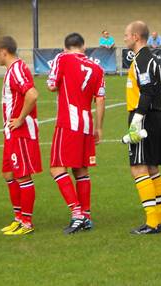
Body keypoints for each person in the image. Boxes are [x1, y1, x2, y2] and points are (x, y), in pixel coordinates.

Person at [46, 33, 106, 234]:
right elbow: (100, 100)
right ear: (83, 47)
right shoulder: (97, 68)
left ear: (65, 48)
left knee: (56, 168)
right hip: (87, 123)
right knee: (81, 170)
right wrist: (99, 128)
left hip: (68, 122)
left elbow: (51, 85)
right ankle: (86, 216)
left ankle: (77, 214)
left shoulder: (62, 58)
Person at [0, 36, 42, 235]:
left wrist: (21, 118)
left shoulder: (17, 69)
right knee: (9, 173)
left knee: (23, 176)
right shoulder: (11, 70)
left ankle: (27, 222)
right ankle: (18, 217)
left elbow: (32, 94)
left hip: (20, 131)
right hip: (10, 131)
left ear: (4, 51)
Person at [123, 21, 161, 234]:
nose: (124, 39)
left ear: (136, 37)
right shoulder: (150, 59)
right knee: (152, 168)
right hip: (155, 116)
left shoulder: (142, 60)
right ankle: (160, 219)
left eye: (126, 35)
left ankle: (151, 223)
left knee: (138, 167)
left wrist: (137, 119)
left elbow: (148, 91)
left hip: (144, 117)